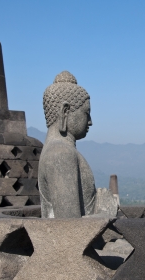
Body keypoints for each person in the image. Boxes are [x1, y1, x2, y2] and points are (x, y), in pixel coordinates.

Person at [39, 71, 96, 218]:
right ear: (65, 112)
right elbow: (69, 227)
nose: (90, 121)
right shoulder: (61, 153)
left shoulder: (56, 150)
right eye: (86, 113)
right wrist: (105, 210)